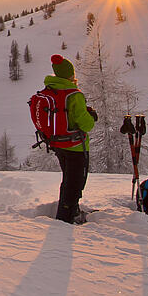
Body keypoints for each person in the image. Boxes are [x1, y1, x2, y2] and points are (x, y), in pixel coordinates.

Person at [43, 54, 96, 224]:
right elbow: (85, 124)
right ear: (70, 74)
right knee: (75, 182)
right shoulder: (74, 94)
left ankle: (70, 210)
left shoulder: (51, 89)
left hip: (58, 143)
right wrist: (91, 116)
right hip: (75, 145)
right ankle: (66, 218)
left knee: (68, 180)